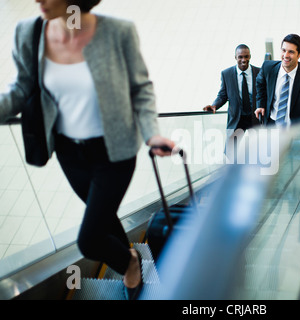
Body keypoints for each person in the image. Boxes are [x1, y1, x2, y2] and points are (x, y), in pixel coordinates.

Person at [0, 0, 175, 300]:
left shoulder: (117, 32)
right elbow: (22, 88)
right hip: (70, 154)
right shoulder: (29, 32)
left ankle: (131, 264)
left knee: (89, 240)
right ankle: (131, 257)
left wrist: (151, 134)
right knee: (104, 218)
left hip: (114, 153)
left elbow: (140, 88)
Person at [203, 44, 260, 147]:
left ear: (250, 56)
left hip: (255, 117)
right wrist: (214, 105)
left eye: (246, 56)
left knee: (261, 150)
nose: (243, 60)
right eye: (240, 57)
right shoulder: (227, 74)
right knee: (230, 151)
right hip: (237, 118)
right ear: (235, 57)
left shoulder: (259, 72)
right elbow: (223, 95)